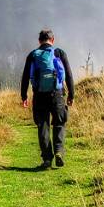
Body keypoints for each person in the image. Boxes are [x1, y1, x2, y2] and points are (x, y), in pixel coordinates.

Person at [20, 29, 75, 169]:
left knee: (43, 126)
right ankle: (58, 151)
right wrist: (71, 95)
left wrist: (24, 96)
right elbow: (68, 74)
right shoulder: (59, 53)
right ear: (53, 40)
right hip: (57, 94)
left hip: (39, 95)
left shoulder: (33, 55)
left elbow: (25, 76)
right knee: (59, 122)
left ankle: (47, 159)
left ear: (39, 41)